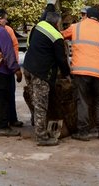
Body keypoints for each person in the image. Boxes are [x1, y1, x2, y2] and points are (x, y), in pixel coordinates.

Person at [61, 6, 99, 141]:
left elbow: (61, 36)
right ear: (98, 18)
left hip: (81, 71)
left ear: (86, 16)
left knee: (82, 101)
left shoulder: (76, 27)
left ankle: (83, 132)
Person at [21, 9, 71, 146]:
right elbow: (61, 60)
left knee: (34, 99)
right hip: (40, 72)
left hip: (28, 67)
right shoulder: (57, 36)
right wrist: (68, 75)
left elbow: (30, 44)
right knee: (41, 104)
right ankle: (41, 136)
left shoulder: (38, 26)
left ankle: (36, 125)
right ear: (57, 22)